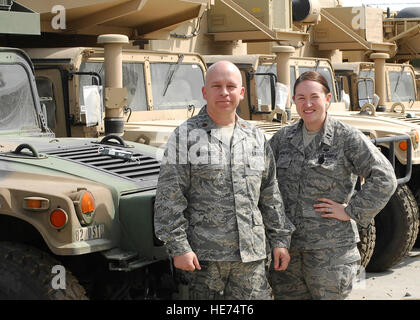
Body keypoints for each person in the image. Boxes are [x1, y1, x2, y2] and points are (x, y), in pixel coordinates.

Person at [154, 60, 295, 300]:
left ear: (241, 93)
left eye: (231, 86)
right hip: (205, 261)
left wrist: (280, 239)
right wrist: (179, 247)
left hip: (251, 258)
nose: (224, 92)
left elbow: (270, 193)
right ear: (204, 92)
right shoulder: (186, 136)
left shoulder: (254, 137)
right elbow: (169, 198)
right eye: (216, 86)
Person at [268, 71, 398, 300]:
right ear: (294, 101)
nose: (307, 104)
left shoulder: (346, 137)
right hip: (289, 251)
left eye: (314, 96)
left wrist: (350, 211)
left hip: (330, 253)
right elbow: (265, 183)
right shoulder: (282, 138)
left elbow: (385, 177)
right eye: (300, 97)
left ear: (327, 99)